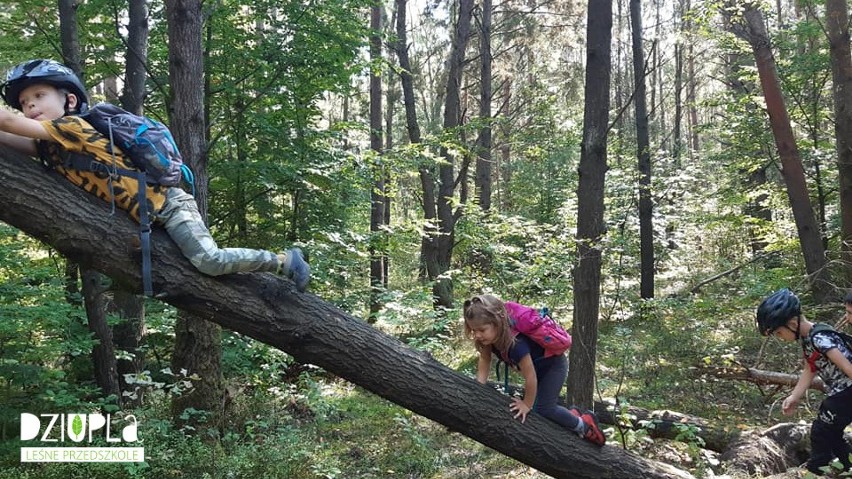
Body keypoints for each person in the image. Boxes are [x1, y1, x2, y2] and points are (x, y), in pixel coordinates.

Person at [0, 59, 310, 291]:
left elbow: (11, 126)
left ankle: (283, 260)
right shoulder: (52, 148)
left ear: (68, 101)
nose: (30, 107)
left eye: (39, 96)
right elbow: (13, 138)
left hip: (169, 203)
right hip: (147, 216)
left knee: (209, 260)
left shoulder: (74, 127)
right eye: (25, 103)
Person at [462, 294, 606, 446]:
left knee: (545, 408)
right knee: (541, 409)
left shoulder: (516, 344)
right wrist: (479, 387)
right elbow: (485, 359)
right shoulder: (488, 340)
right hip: (539, 370)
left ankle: (584, 425)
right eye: (473, 330)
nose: (477, 335)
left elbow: (530, 377)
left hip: (553, 366)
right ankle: (572, 415)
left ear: (497, 323)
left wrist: (526, 404)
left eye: (482, 330)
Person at [757, 288, 852, 475]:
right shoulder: (809, 339)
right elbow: (810, 368)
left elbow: (847, 366)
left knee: (820, 432)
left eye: (779, 332)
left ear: (792, 323)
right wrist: (794, 396)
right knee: (831, 434)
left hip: (847, 391)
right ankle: (845, 467)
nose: (780, 337)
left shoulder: (820, 338)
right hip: (841, 393)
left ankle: (814, 472)